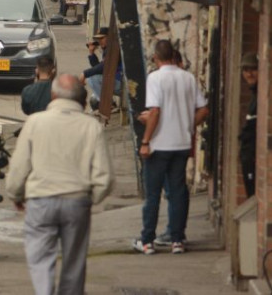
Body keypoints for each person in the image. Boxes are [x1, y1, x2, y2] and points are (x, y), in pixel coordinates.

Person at [8, 74, 114, 295]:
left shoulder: (35, 122)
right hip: (76, 201)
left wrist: (16, 194)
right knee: (74, 261)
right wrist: (88, 198)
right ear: (81, 99)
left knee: (39, 257)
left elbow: (19, 166)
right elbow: (104, 176)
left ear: (53, 95)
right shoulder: (91, 126)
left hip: (40, 200)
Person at [134, 40, 208, 255]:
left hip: (160, 145)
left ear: (156, 57)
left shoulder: (155, 78)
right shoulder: (188, 78)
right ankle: (177, 239)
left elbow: (155, 111)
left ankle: (147, 240)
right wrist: (187, 124)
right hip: (182, 143)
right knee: (177, 192)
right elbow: (203, 110)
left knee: (153, 194)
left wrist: (146, 140)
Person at [82, 27, 121, 109]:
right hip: (115, 82)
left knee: (92, 78)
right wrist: (91, 53)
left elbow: (103, 66)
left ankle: (108, 105)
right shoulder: (107, 49)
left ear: (109, 37)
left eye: (102, 38)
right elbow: (99, 69)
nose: (99, 41)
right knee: (94, 99)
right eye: (98, 39)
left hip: (122, 84)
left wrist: (84, 74)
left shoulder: (113, 48)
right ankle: (110, 104)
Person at [237, 52, 259, 198]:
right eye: (245, 70)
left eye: (253, 69)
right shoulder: (255, 95)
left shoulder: (260, 95)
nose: (249, 74)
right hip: (249, 157)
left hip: (253, 158)